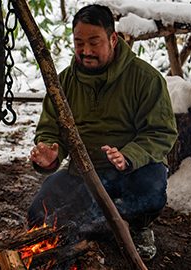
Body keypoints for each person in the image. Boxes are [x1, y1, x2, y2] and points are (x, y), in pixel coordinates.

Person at [27, 4, 178, 260]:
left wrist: (128, 155)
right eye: (78, 42)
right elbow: (51, 128)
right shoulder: (63, 82)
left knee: (150, 190)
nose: (85, 51)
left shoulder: (145, 79)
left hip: (132, 171)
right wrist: (50, 150)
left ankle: (138, 227)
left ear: (112, 38)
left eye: (94, 42)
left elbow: (161, 132)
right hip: (84, 173)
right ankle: (98, 225)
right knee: (37, 216)